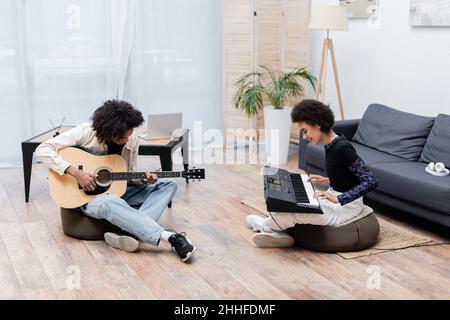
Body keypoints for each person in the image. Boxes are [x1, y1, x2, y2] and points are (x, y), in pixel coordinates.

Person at [35, 100, 196, 262]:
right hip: (87, 198)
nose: (126, 139)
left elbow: (127, 176)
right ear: (107, 131)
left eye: (129, 134)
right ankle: (171, 238)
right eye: (121, 137)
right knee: (110, 201)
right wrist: (76, 173)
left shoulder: (132, 141)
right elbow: (42, 149)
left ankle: (126, 235)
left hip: (118, 192)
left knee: (168, 184)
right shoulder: (86, 132)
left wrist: (144, 180)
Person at [246, 99, 378, 248]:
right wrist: (329, 180)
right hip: (333, 199)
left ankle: (264, 226)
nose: (304, 137)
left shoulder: (342, 148)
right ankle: (277, 232)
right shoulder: (332, 144)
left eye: (305, 131)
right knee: (292, 202)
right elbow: (347, 175)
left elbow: (370, 181)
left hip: (345, 209)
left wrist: (339, 198)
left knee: (294, 212)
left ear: (317, 125)